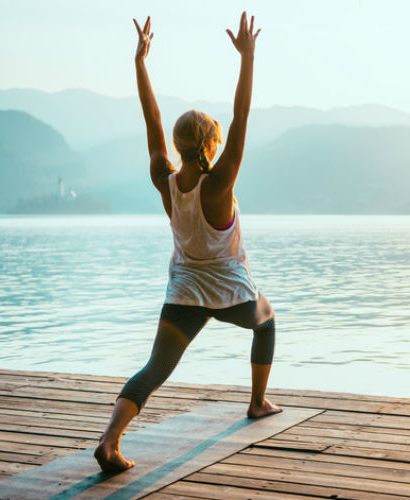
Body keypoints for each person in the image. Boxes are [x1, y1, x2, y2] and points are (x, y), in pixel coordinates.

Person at [94, 12, 280, 473]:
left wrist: (140, 62)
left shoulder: (166, 180)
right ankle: (257, 403)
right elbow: (242, 115)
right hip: (232, 293)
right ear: (213, 145)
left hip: (183, 294)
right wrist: (248, 58)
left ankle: (109, 440)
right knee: (267, 322)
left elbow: (150, 116)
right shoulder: (219, 186)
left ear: (177, 146)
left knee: (155, 370)